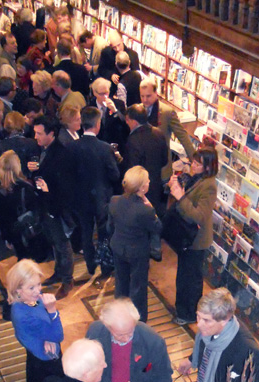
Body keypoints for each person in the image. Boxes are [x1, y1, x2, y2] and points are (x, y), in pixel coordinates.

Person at [168, 147, 218, 325]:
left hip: (195, 240)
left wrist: (180, 196)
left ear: (207, 167)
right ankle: (184, 310)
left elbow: (198, 216)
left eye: (198, 164)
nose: (193, 166)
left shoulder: (209, 185)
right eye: (193, 162)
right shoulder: (198, 179)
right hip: (186, 237)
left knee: (190, 279)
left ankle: (188, 314)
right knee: (184, 275)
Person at [7, 259, 64, 382]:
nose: (38, 291)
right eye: (31, 287)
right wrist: (52, 310)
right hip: (44, 358)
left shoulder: (29, 301)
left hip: (39, 349)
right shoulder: (22, 315)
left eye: (39, 285)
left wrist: (44, 336)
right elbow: (58, 335)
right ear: (18, 290)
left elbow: (40, 318)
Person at [67, 106, 120, 276]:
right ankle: (105, 266)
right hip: (101, 198)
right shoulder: (105, 148)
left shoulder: (71, 147)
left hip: (80, 198)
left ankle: (90, 265)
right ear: (97, 124)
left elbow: (69, 173)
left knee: (86, 232)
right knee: (104, 233)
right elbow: (115, 175)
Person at [108, 166, 162, 322]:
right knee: (137, 287)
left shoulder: (114, 201)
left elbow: (110, 226)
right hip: (137, 252)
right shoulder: (145, 211)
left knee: (121, 282)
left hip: (118, 247)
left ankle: (119, 316)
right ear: (142, 187)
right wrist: (152, 209)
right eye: (147, 180)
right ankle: (138, 321)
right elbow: (157, 227)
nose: (150, 182)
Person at [29, 115, 74, 299]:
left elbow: (65, 189)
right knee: (55, 242)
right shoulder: (42, 149)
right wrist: (33, 171)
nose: (36, 137)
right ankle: (58, 271)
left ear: (51, 134)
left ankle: (67, 279)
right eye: (35, 133)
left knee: (63, 244)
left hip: (57, 209)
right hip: (45, 206)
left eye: (39, 133)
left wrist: (47, 191)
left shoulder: (62, 155)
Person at [139, 78, 195, 184]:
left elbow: (182, 135)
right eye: (142, 96)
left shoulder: (167, 113)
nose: (145, 100)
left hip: (161, 167)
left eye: (148, 96)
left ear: (156, 93)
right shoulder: (138, 110)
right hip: (143, 165)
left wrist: (194, 159)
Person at [0, 150, 43, 261]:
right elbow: (36, 208)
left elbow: (0, 217)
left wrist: (6, 238)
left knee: (22, 259)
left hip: (13, 233)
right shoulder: (25, 186)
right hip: (28, 230)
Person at [123, 104, 168, 215]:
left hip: (140, 190)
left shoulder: (133, 140)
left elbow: (132, 167)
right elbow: (165, 160)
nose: (127, 123)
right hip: (157, 186)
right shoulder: (159, 133)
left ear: (134, 122)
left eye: (128, 120)